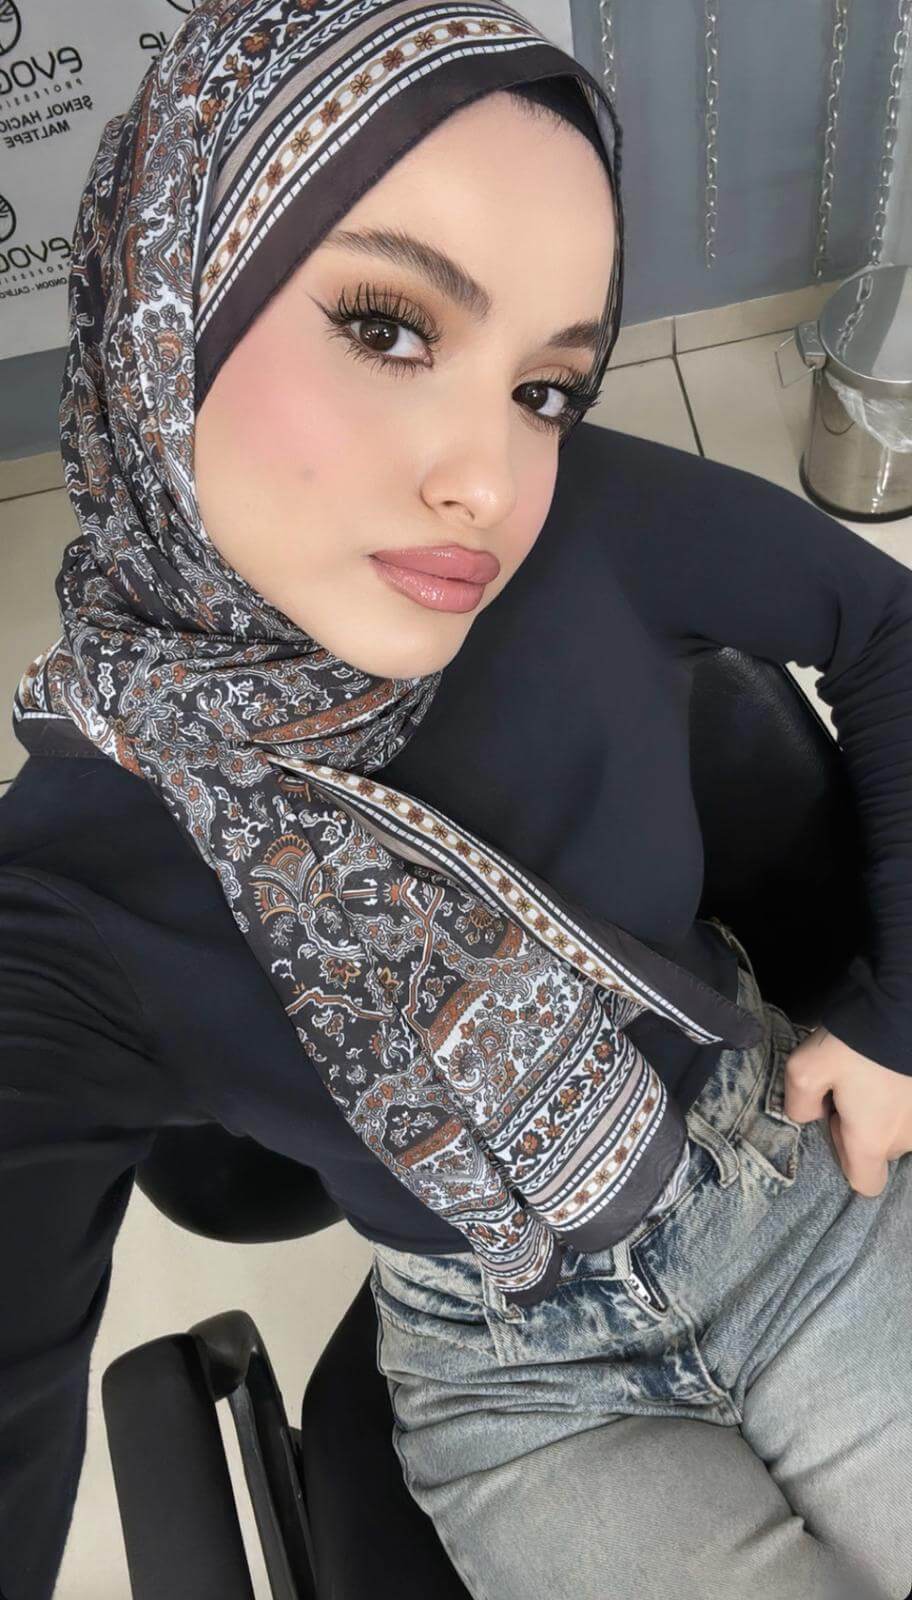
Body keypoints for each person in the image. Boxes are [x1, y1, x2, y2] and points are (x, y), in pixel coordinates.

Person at [0, 2, 910, 1597]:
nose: (486, 480)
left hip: (789, 1191)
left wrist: (903, 1010)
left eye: (547, 387)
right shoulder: (72, 891)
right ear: (164, 310)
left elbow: (890, 622)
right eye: (390, 325)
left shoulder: (589, 529)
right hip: (514, 1393)